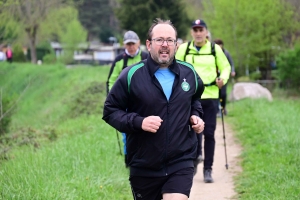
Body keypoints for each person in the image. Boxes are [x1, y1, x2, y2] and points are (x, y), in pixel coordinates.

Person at [103, 18, 205, 200]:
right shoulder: (131, 75)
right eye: (159, 40)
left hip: (180, 162)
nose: (165, 45)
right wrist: (139, 122)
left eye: (170, 40)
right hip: (144, 166)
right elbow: (110, 111)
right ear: (149, 44)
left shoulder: (189, 73)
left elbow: (195, 99)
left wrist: (195, 116)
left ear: (176, 45)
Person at [176, 19, 231, 183]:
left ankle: (208, 169)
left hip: (211, 96)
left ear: (206, 32)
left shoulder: (214, 49)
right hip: (191, 97)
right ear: (192, 32)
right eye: (195, 30)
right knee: (192, 131)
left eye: (201, 30)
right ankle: (193, 162)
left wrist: (223, 78)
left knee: (209, 133)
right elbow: (175, 66)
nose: (198, 33)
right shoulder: (184, 49)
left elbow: (226, 67)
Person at [106, 30, 148, 167]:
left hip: (145, 101)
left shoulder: (147, 57)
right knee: (126, 132)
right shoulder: (119, 60)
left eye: (133, 44)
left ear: (139, 43)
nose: (130, 47)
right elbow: (111, 81)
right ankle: (129, 159)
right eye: (128, 44)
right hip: (125, 103)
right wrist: (113, 99)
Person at [214, 39, 235, 115]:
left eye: (220, 44)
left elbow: (231, 63)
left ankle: (223, 108)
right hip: (215, 76)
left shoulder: (226, 53)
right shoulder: (212, 52)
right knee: (216, 94)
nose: (219, 46)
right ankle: (217, 110)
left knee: (223, 94)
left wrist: (232, 71)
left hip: (224, 76)